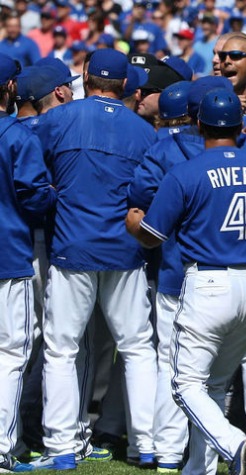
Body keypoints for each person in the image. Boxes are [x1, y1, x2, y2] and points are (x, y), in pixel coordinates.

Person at [126, 89, 246, 475]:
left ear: (199, 124)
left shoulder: (186, 171)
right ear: (238, 127)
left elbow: (152, 235)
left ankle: (236, 443)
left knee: (184, 384)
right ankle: (199, 468)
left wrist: (134, 225)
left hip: (208, 282)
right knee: (213, 385)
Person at [30, 49, 158, 471]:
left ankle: (62, 446)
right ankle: (145, 445)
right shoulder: (143, 131)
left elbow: (33, 172)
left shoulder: (56, 119)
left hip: (72, 246)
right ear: (127, 86)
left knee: (62, 349)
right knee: (137, 348)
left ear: (85, 77)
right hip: (125, 248)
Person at [0, 51, 56, 474]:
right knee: (11, 354)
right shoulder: (16, 136)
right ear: (10, 88)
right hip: (9, 256)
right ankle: (3, 445)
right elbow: (36, 196)